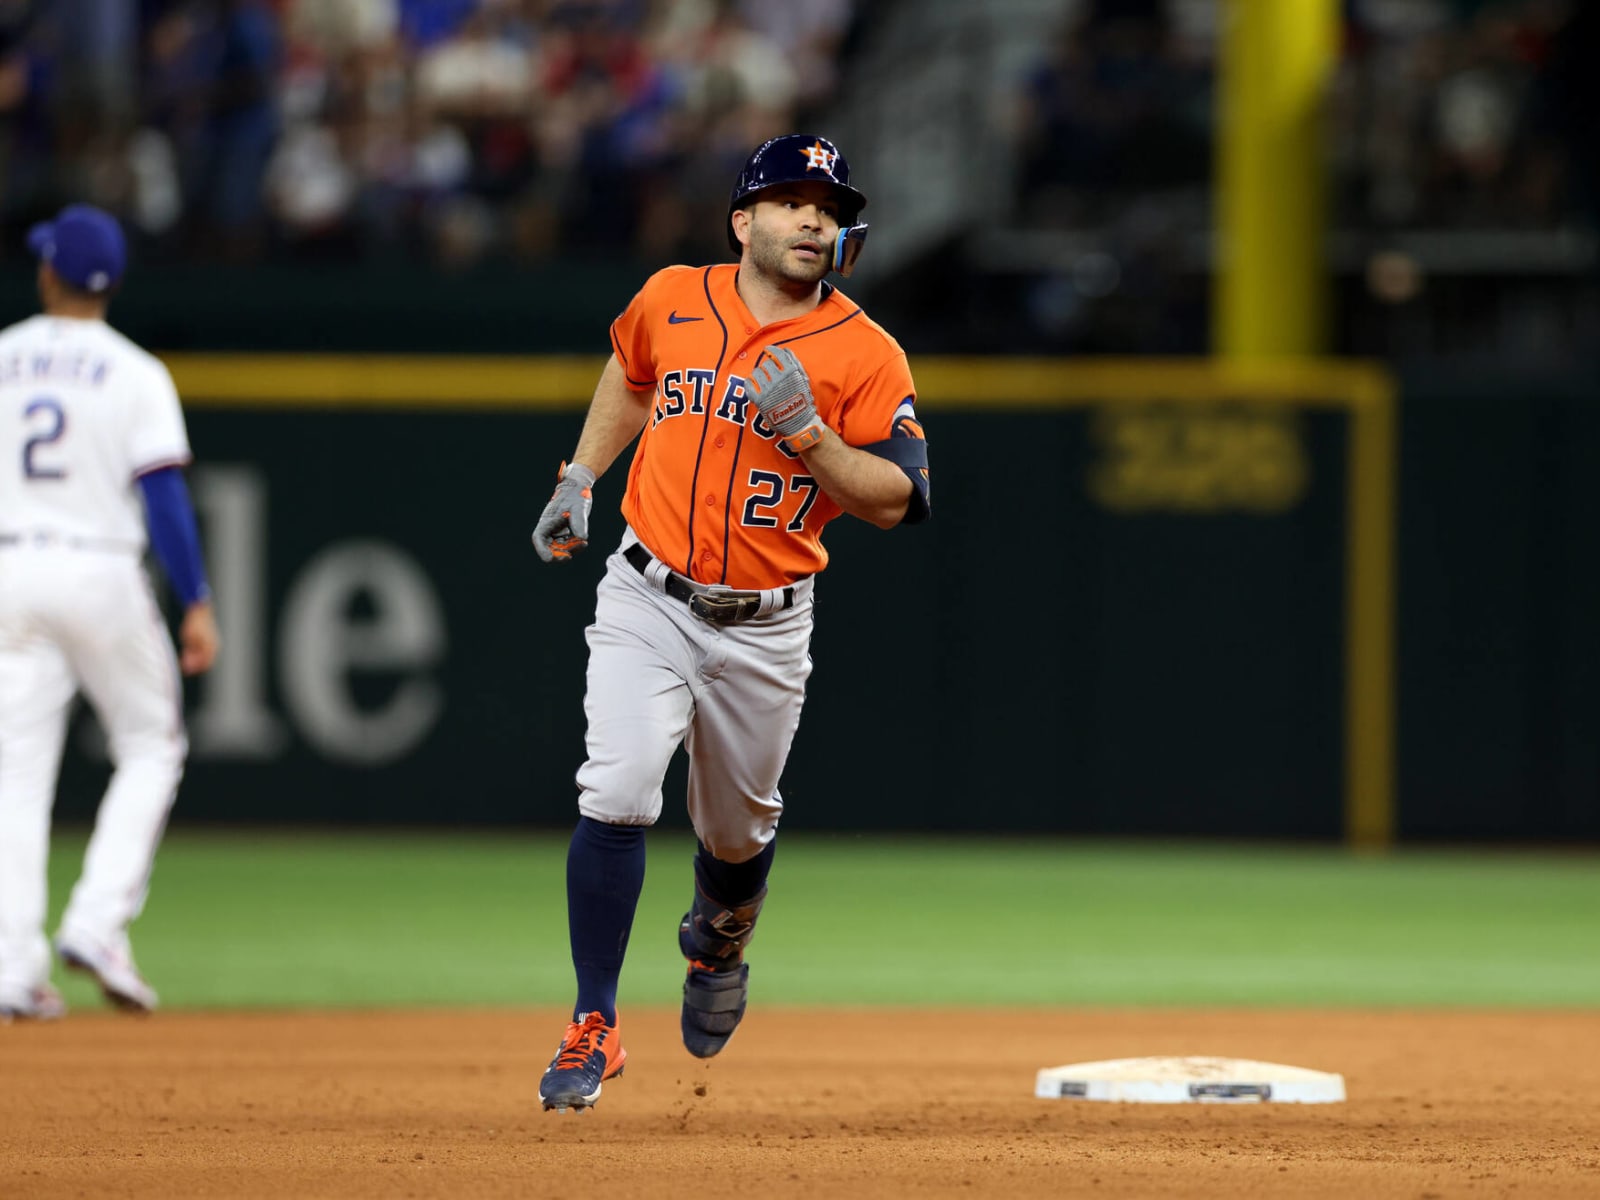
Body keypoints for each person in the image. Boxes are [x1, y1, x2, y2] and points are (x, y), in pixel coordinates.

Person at [530, 133, 930, 1112]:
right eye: (793, 200)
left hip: (764, 627)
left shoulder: (866, 351)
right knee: (617, 786)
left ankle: (719, 939)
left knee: (737, 832)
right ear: (742, 220)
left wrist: (812, 437)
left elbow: (899, 497)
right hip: (645, 595)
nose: (813, 219)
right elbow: (630, 373)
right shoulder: (672, 295)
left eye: (830, 209)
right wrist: (580, 475)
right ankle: (594, 1022)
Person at [0, 204, 220, 1022]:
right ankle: (96, 922)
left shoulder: (5, 355)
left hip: (10, 565)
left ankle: (11, 969)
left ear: (49, 272)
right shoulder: (135, 371)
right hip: (98, 568)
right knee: (150, 744)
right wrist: (195, 599)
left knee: (14, 776)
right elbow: (162, 496)